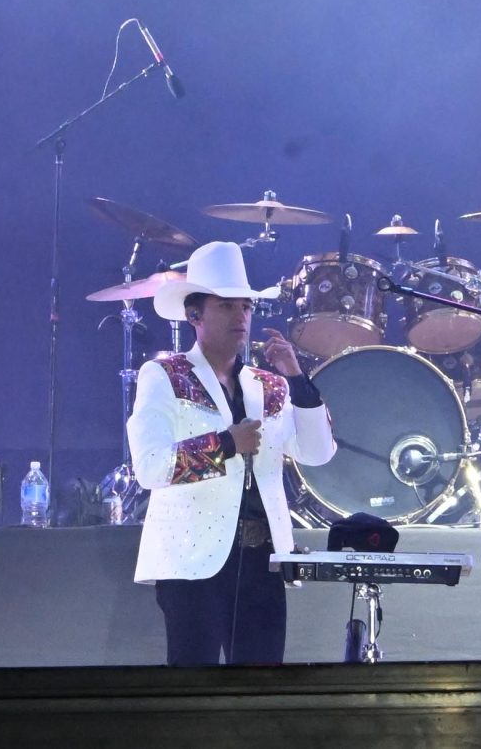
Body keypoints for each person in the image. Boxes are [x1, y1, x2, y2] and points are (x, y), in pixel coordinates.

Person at [128, 241, 337, 665]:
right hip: (191, 562)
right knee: (196, 687)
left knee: (261, 686)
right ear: (195, 315)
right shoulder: (165, 375)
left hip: (262, 561)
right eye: (225, 306)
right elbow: (150, 467)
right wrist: (226, 445)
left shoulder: (270, 385)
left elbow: (318, 453)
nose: (240, 316)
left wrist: (297, 380)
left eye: (246, 307)